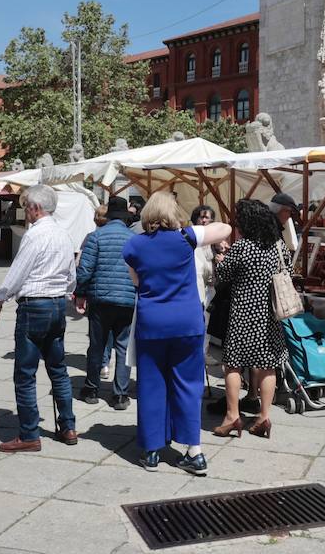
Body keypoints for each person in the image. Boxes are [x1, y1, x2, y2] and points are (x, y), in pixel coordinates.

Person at [126, 192, 231, 474]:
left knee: (151, 385)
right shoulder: (186, 238)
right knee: (188, 384)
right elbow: (226, 229)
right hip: (187, 322)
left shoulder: (134, 244)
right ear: (173, 213)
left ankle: (151, 451)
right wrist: (192, 230)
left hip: (153, 323)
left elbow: (136, 281)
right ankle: (194, 452)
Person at [0, 184, 78, 453]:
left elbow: (18, 271)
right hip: (58, 304)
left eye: (26, 207)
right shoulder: (63, 233)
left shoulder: (35, 235)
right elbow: (71, 276)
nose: (26, 212)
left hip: (35, 305)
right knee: (58, 369)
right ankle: (68, 426)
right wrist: (65, 293)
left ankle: (28, 434)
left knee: (25, 373)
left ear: (36, 208)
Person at [212, 199, 291, 439]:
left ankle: (232, 416)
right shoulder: (278, 245)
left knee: (233, 364)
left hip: (243, 313)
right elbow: (287, 268)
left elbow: (223, 276)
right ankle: (264, 417)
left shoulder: (242, 247)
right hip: (270, 314)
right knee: (268, 366)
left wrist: (220, 259)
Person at [76, 196, 137, 409]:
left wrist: (80, 293)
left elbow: (84, 271)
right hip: (128, 301)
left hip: (100, 300)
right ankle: (119, 395)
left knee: (97, 345)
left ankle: (91, 389)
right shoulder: (134, 238)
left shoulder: (95, 237)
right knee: (123, 347)